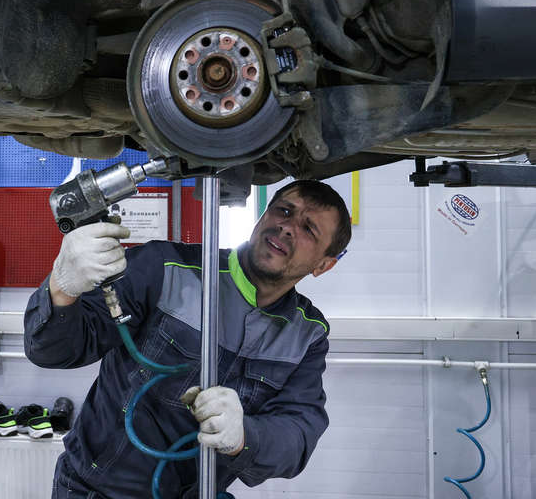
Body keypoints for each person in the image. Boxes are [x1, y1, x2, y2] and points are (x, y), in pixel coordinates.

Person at [25, 179, 351, 498]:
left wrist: (244, 437)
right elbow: (53, 351)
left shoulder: (307, 334)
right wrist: (63, 289)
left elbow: (298, 432)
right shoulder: (164, 267)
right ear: (263, 215)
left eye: (309, 229)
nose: (288, 227)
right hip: (95, 491)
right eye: (284, 211)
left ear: (324, 265)